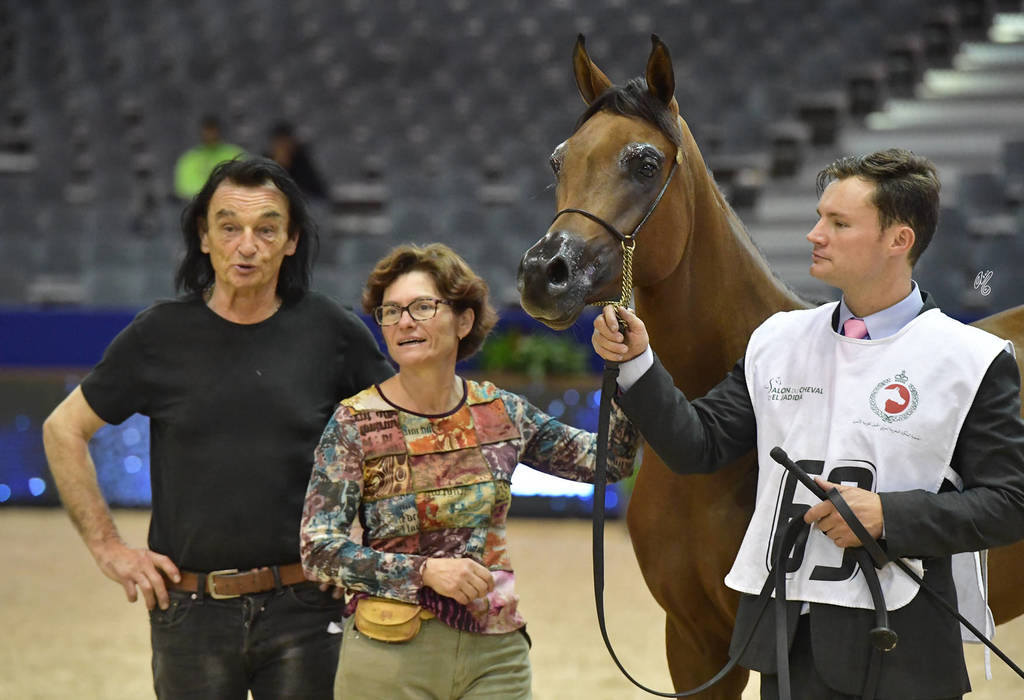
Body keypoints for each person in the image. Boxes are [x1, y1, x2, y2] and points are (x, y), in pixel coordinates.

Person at [591, 148, 1024, 699]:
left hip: (905, 650)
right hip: (788, 648)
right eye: (820, 217)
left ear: (899, 240)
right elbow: (696, 446)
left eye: (839, 223)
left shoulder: (973, 359)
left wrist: (889, 515)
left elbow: (1011, 504)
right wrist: (638, 364)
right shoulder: (778, 340)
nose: (815, 235)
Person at [42, 157, 394, 699]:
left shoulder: (333, 331)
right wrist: (109, 547)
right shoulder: (159, 335)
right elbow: (62, 430)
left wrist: (370, 546)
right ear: (204, 238)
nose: (246, 246)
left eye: (266, 229)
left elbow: (398, 436)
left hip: (307, 606)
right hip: (190, 611)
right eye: (229, 227)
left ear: (292, 241)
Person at [300, 242, 640, 699]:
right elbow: (318, 549)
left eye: (422, 307)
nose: (404, 322)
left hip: (495, 656)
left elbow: (610, 460)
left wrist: (628, 367)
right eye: (391, 311)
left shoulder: (500, 412)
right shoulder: (354, 422)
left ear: (464, 320)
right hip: (389, 652)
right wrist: (424, 572)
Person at [173, 115, 245, 200]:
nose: (210, 135)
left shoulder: (234, 154)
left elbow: (243, 183)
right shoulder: (189, 159)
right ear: (201, 133)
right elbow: (184, 189)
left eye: (213, 131)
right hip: (198, 202)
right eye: (207, 132)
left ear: (219, 132)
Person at [266, 121, 329, 200]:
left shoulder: (301, 162)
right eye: (280, 143)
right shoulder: (265, 163)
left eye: (286, 143)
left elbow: (315, 191)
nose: (283, 147)